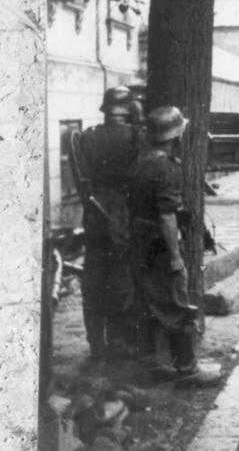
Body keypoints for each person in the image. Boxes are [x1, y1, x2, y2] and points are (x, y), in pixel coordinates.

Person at [129, 106, 222, 387]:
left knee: (146, 304)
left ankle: (149, 364)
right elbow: (166, 215)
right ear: (175, 137)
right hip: (159, 247)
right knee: (177, 303)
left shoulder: (140, 163)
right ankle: (187, 369)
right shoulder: (167, 168)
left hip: (139, 244)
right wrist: (175, 257)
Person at [77, 85, 144, 366]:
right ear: (129, 109)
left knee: (92, 279)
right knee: (120, 280)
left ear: (105, 109)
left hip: (94, 214)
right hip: (121, 214)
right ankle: (117, 342)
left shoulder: (87, 136)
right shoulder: (136, 137)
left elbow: (83, 173)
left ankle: (96, 347)